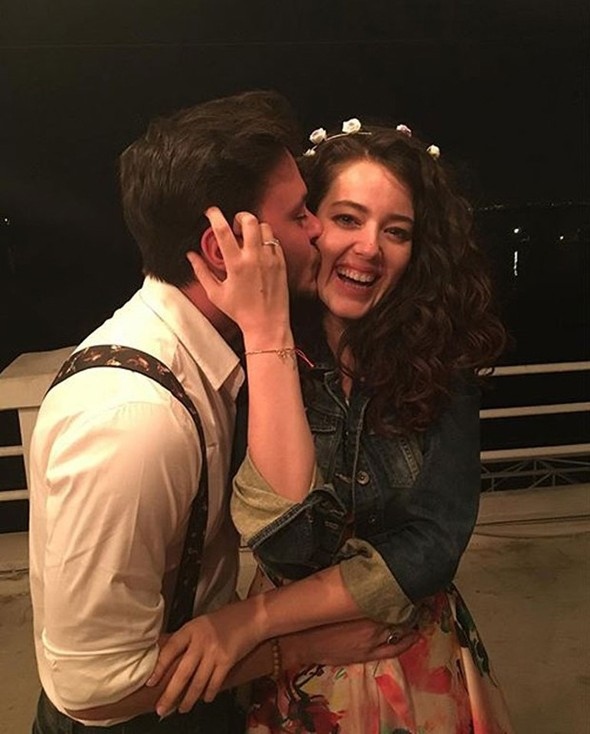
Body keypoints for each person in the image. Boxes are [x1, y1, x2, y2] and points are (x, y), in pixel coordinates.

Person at [28, 94, 412, 734]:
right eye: (299, 215)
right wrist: (299, 647)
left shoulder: (205, 357)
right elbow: (91, 689)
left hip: (198, 695)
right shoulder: (132, 421)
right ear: (222, 248)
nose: (318, 230)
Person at [172, 119, 514, 732]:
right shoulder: (256, 355)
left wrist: (252, 620)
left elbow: (433, 545)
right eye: (347, 219)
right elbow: (288, 542)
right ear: (307, 226)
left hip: (409, 655)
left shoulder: (441, 361)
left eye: (397, 231)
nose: (370, 248)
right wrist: (268, 333)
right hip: (287, 667)